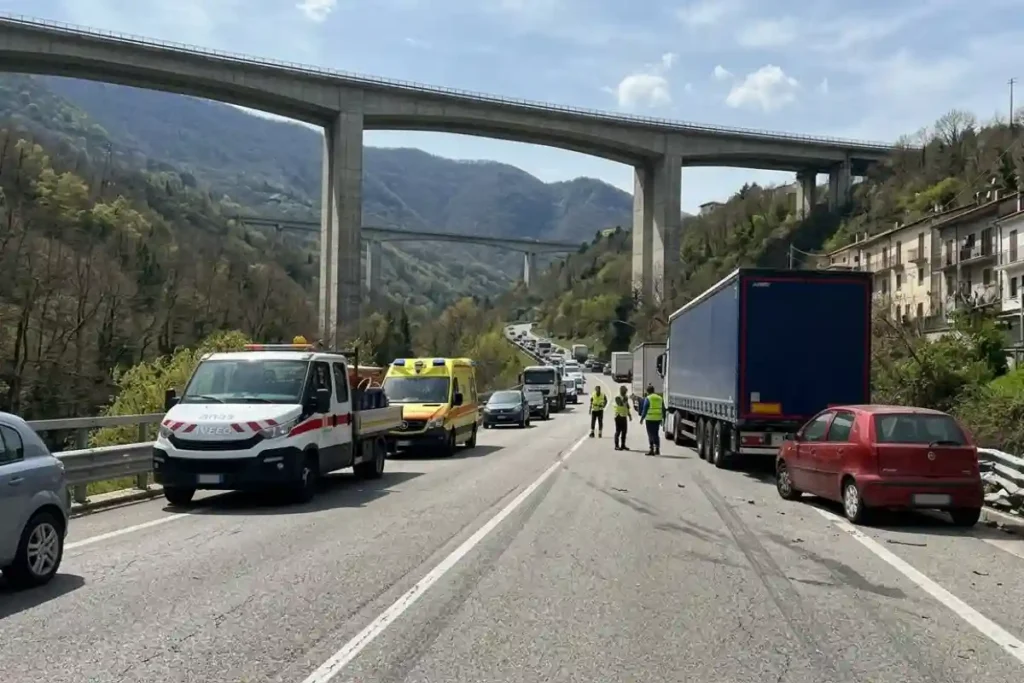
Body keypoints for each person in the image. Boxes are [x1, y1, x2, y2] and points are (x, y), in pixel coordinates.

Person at [638, 384, 663, 456]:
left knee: (650, 434)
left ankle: (651, 449)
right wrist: (662, 419)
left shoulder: (648, 398)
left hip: (650, 419)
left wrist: (642, 419)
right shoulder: (659, 398)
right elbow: (663, 409)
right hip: (658, 419)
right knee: (656, 433)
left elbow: (645, 409)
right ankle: (657, 449)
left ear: (647, 391)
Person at [612, 385, 632, 450]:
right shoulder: (617, 397)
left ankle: (623, 445)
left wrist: (629, 415)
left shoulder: (625, 397)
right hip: (618, 415)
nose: (625, 392)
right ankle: (616, 446)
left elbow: (627, 406)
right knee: (618, 431)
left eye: (626, 391)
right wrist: (625, 399)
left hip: (624, 415)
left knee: (624, 431)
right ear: (621, 391)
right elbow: (620, 404)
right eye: (624, 391)